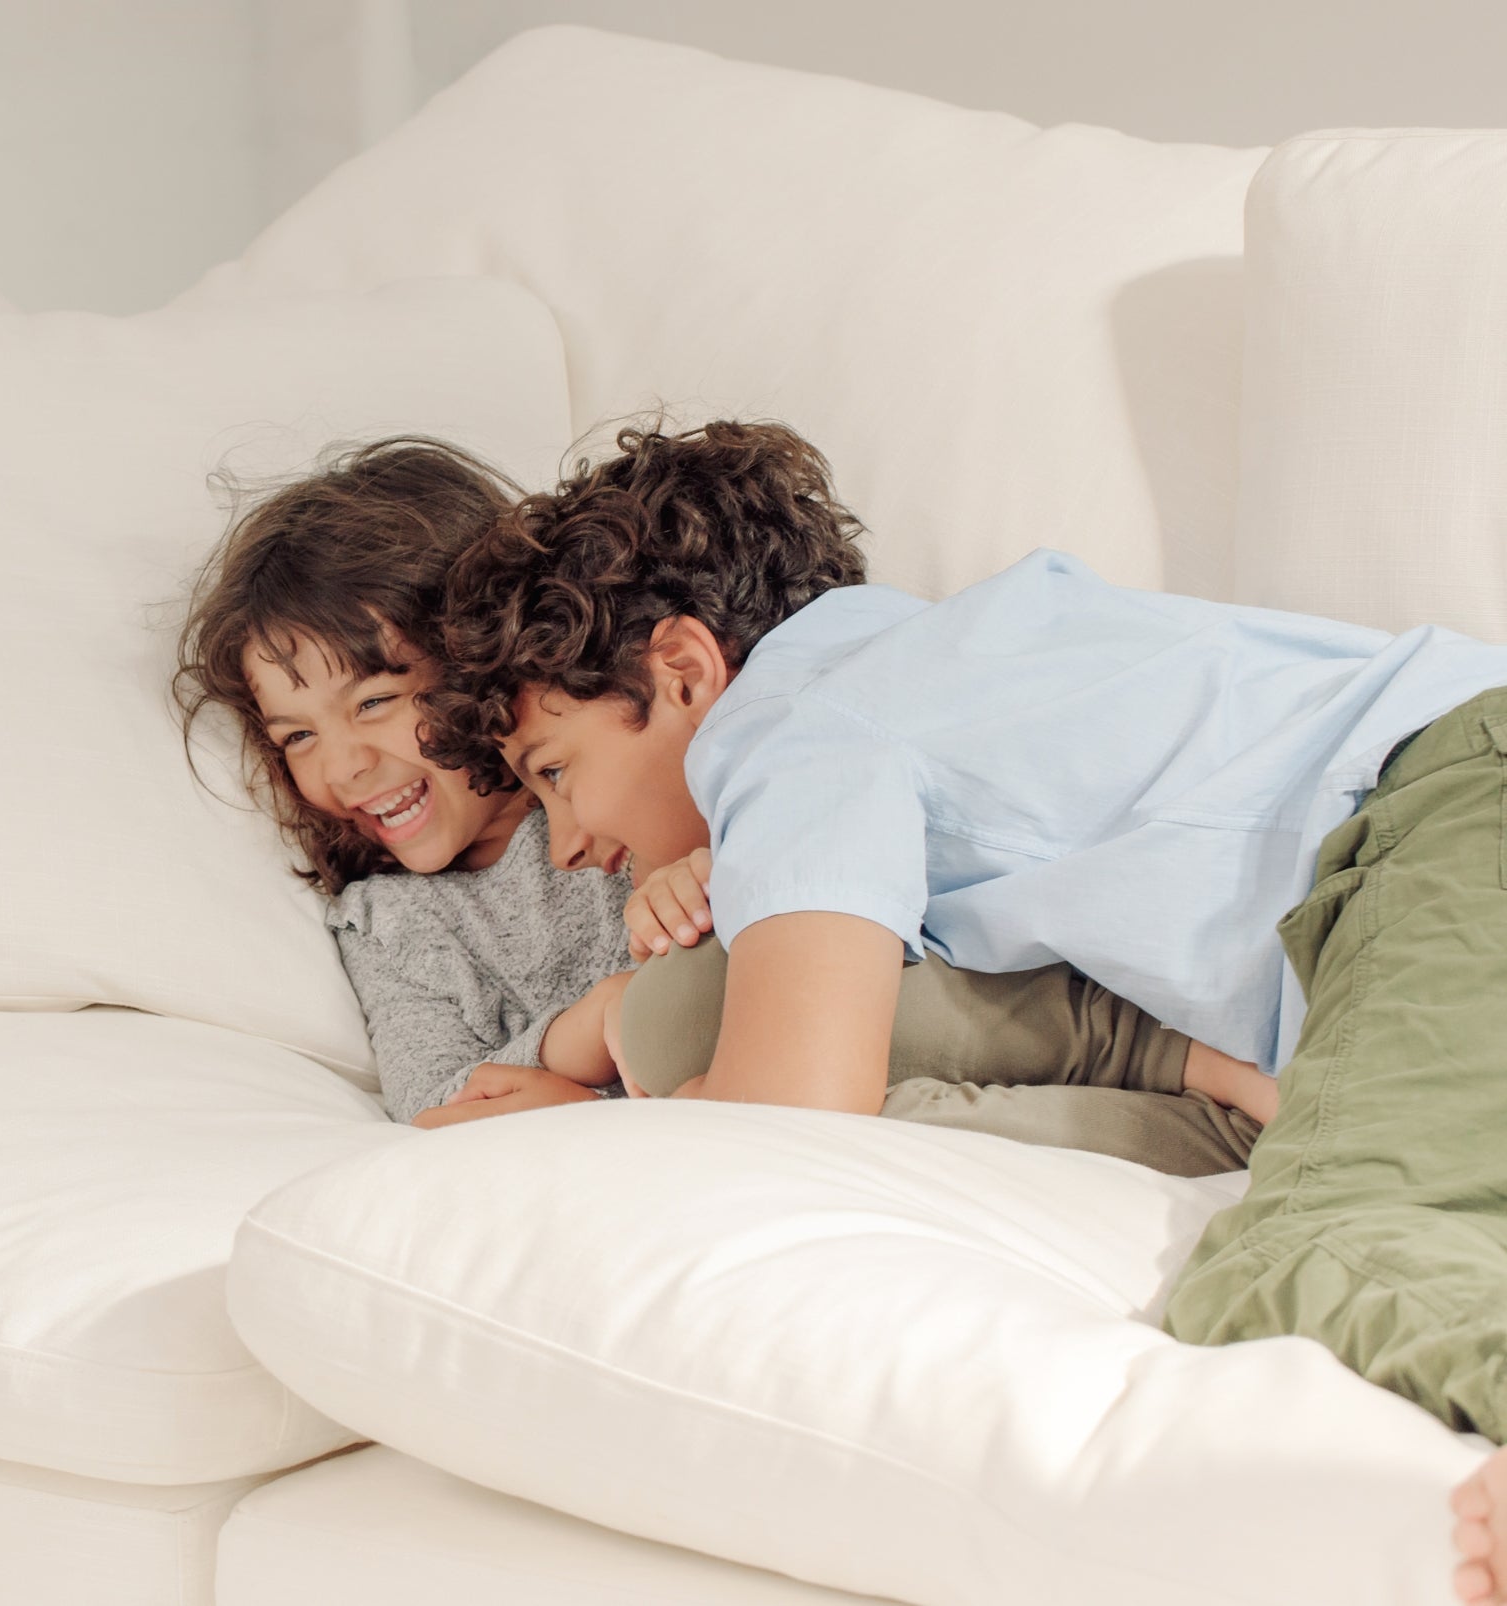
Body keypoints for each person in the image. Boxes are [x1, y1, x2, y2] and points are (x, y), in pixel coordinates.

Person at [419, 417, 1507, 1602]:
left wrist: (577, 1128)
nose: (567, 845)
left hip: (1444, 822)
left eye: (555, 772)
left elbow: (789, 1112)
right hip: (1441, 835)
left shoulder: (794, 728)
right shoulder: (928, 673)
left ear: (684, 671)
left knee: (1314, 1258)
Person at [173, 438, 1274, 1177]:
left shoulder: (662, 773)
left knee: (684, 1007)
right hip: (734, 1089)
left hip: (832, 1037)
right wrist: (588, 1041)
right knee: (668, 1017)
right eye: (296, 737)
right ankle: (1202, 1111)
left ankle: (1180, 1066)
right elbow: (442, 1104)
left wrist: (719, 879)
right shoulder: (396, 923)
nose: (346, 766)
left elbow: (861, 926)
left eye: (375, 702)